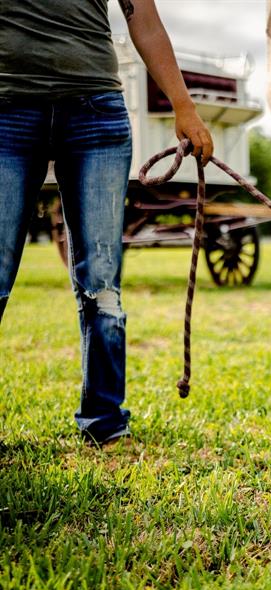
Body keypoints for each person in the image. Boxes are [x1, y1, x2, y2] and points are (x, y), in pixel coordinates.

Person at [0, 0, 213, 444]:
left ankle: (104, 420)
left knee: (102, 282)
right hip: (9, 110)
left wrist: (184, 106)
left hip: (96, 112)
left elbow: (145, 20)